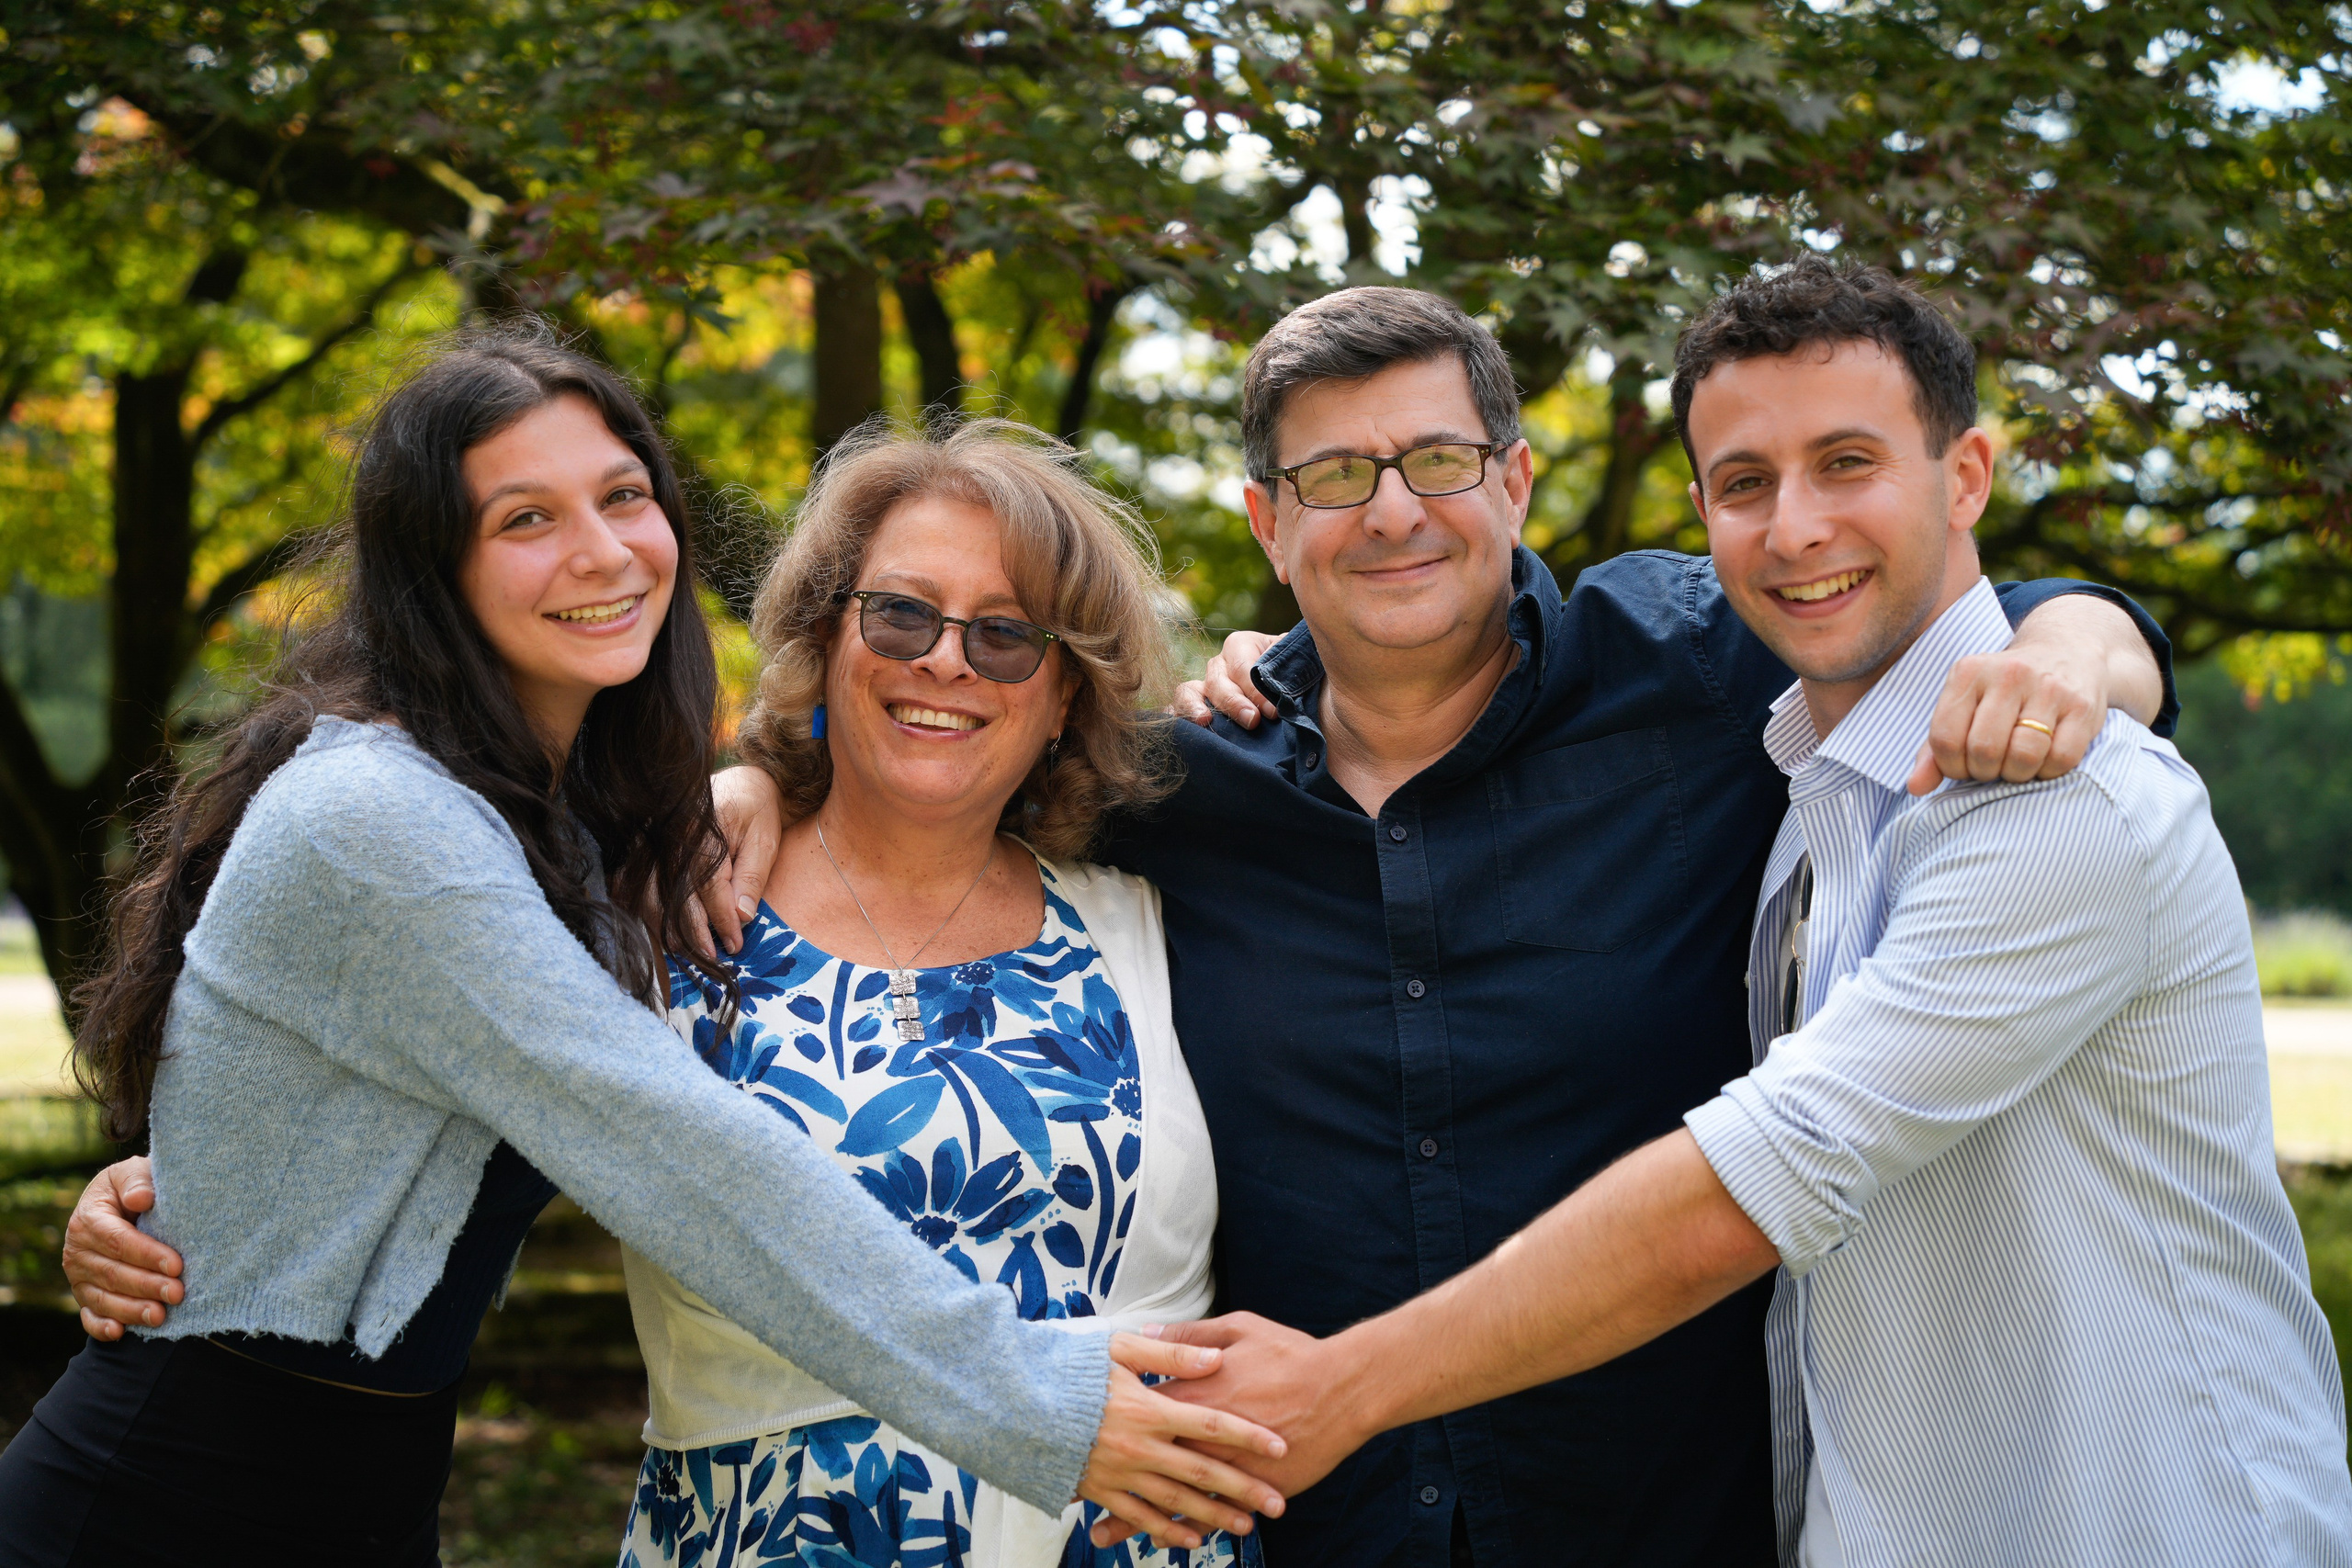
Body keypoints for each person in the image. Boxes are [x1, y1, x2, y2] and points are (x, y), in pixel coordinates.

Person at [700, 286, 2174, 1566]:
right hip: (1306, 1523)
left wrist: (2081, 637)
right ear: (1269, 526)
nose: (1393, 509)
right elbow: (944, 742)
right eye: (1335, 474)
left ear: (1518, 481)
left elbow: (1918, 603)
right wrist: (759, 776)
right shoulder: (1174, 782)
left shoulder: (1699, 676)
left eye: (1438, 459)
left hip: (1659, 1522)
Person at [1142, 260, 2352, 1566]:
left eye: (1847, 462)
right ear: (1267, 519)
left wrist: (2080, 640)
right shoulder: (1805, 799)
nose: (1794, 530)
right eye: (1744, 485)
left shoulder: (2041, 798)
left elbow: (1759, 1178)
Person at [6, 329, 1280, 1566]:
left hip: (353, 1495)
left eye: (624, 495)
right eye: (526, 519)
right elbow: (680, 1151)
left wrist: (749, 789)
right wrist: (1047, 1404)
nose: (603, 550)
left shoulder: (562, 827)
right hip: (166, 1497)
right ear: (431, 567)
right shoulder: (384, 818)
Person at [616, 419, 1253, 1567]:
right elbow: (443, 1087)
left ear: (1066, 695)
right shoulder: (675, 912)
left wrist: (1275, 663)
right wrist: (183, 1187)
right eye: (901, 613)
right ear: (826, 636)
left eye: (1008, 636)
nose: (946, 661)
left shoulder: (1163, 921)